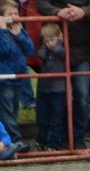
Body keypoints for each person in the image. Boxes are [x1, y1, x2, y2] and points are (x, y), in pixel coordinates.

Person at [36, 0, 90, 149]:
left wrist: (84, 11)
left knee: (81, 96)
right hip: (54, 52)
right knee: (57, 96)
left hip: (81, 50)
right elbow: (41, 3)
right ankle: (55, 137)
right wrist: (57, 12)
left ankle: (78, 136)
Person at [0, 0, 35, 143]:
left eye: (16, 13)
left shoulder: (20, 31)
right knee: (7, 111)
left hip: (19, 77)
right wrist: (3, 30)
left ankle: (8, 138)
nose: (14, 16)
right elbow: (4, 49)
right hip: (4, 78)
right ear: (1, 17)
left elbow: (30, 50)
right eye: (10, 14)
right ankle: (15, 140)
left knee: (14, 110)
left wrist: (19, 35)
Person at [34, 21, 66, 150]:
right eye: (47, 41)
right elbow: (40, 55)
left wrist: (57, 43)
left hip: (58, 89)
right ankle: (41, 141)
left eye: (52, 40)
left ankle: (54, 144)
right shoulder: (45, 50)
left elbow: (60, 51)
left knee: (56, 119)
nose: (50, 44)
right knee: (42, 117)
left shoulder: (60, 49)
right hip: (44, 88)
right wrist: (45, 45)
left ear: (59, 38)